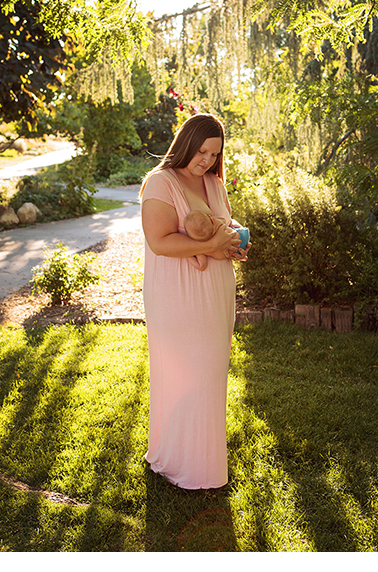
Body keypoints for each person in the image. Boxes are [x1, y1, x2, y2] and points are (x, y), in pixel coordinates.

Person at [139, 113, 250, 489]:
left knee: (210, 375)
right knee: (184, 373)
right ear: (186, 143)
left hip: (216, 292)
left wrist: (232, 245)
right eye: (201, 151)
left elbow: (224, 226)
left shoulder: (213, 184)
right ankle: (176, 462)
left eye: (214, 154)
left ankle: (202, 461)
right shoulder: (160, 182)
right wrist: (211, 245)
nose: (206, 160)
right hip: (176, 293)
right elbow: (160, 242)